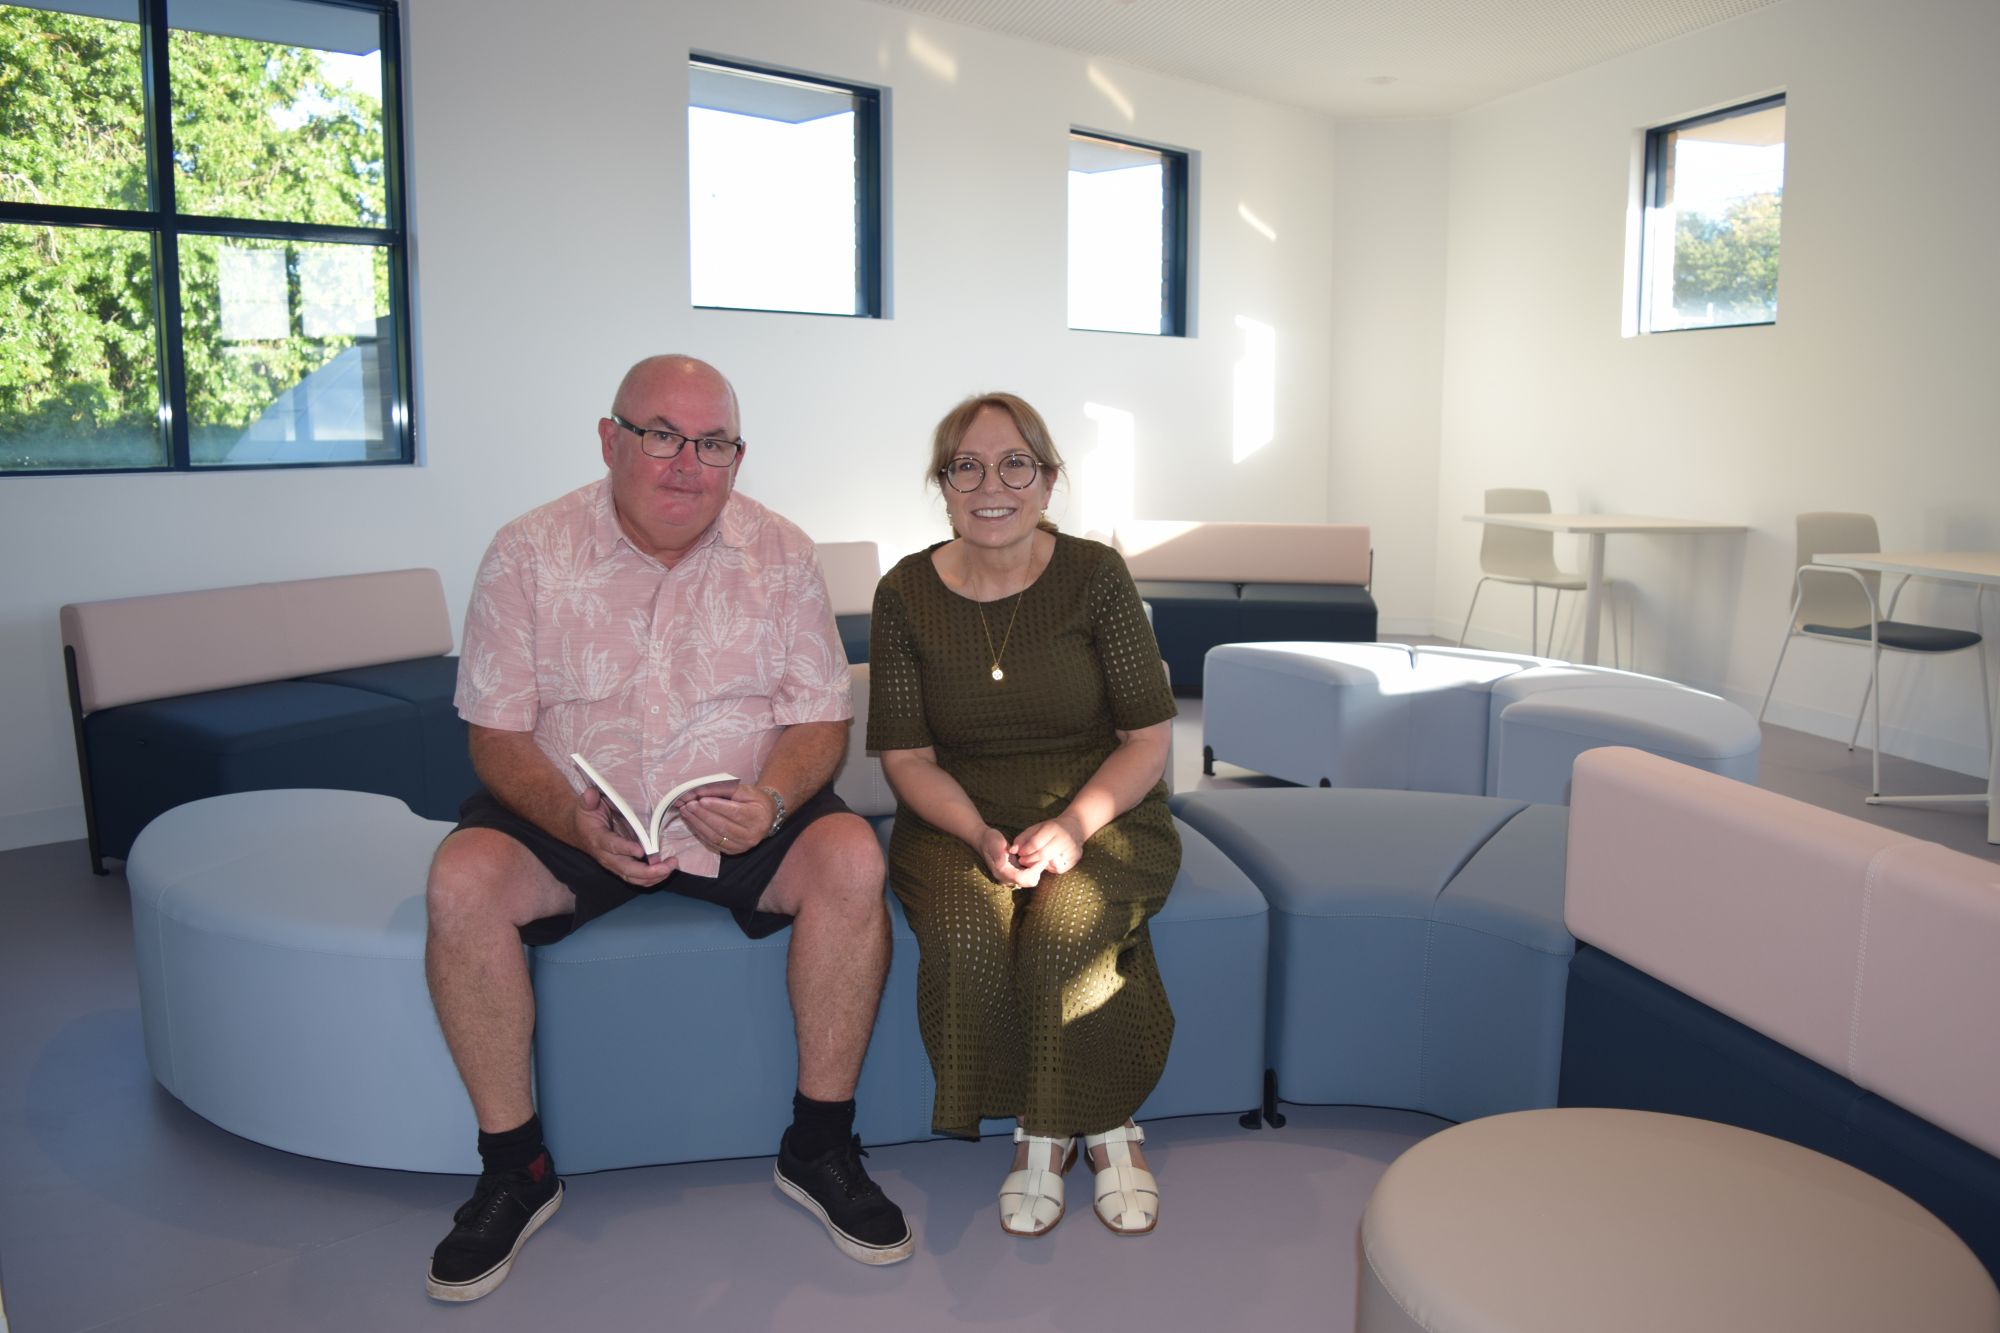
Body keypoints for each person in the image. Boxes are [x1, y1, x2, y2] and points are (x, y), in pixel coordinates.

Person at [422, 355, 911, 1302]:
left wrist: (770, 801)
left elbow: (821, 717)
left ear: (737, 454)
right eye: (661, 435)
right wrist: (569, 812)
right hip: (571, 810)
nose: (688, 463)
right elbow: (494, 730)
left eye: (714, 442)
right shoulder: (526, 550)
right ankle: (515, 1169)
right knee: (461, 882)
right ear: (611, 440)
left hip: (741, 809)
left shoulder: (782, 551)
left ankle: (819, 1145)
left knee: (852, 856)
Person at [867, 392, 1180, 1239]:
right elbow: (907, 759)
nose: (990, 483)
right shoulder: (904, 592)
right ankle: (1078, 1120)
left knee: (1061, 932)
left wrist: (1075, 827)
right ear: (943, 484)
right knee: (970, 941)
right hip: (956, 817)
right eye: (966, 465)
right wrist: (976, 834)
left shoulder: (1095, 575)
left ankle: (1067, 1132)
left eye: (1016, 463)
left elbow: (1148, 736)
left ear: (1048, 480)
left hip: (1101, 807)